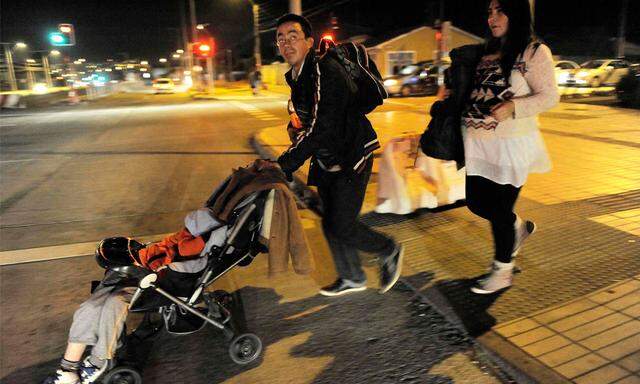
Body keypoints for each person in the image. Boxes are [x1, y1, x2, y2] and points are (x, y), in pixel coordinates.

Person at [273, 13, 404, 296]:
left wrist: (285, 162)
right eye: (281, 38)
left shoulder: (324, 69)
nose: (287, 42)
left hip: (350, 154)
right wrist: (293, 131)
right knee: (330, 220)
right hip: (326, 157)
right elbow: (308, 120)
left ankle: (388, 248)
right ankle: (352, 276)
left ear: (309, 41)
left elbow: (323, 126)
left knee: (341, 224)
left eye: (293, 36)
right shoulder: (296, 75)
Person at [459, 0, 559, 294]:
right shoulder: (487, 51)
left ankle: (502, 271)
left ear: (515, 13)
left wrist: (514, 106)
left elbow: (550, 96)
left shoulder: (534, 52)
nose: (492, 17)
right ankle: (517, 228)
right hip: (479, 143)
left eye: (500, 10)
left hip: (511, 145)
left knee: (499, 209)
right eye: (489, 11)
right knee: (476, 202)